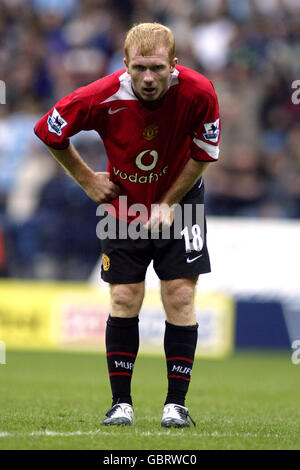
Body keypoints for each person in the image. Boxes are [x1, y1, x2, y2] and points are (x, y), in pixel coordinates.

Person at [34, 22, 220, 428]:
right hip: (123, 207)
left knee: (180, 298)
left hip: (182, 202)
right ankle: (121, 404)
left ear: (174, 65)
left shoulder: (200, 92)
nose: (148, 78)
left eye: (157, 68)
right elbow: (49, 128)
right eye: (139, 68)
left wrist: (169, 202)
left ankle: (176, 405)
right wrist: (87, 179)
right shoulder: (101, 95)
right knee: (123, 298)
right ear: (125, 66)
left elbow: (205, 154)